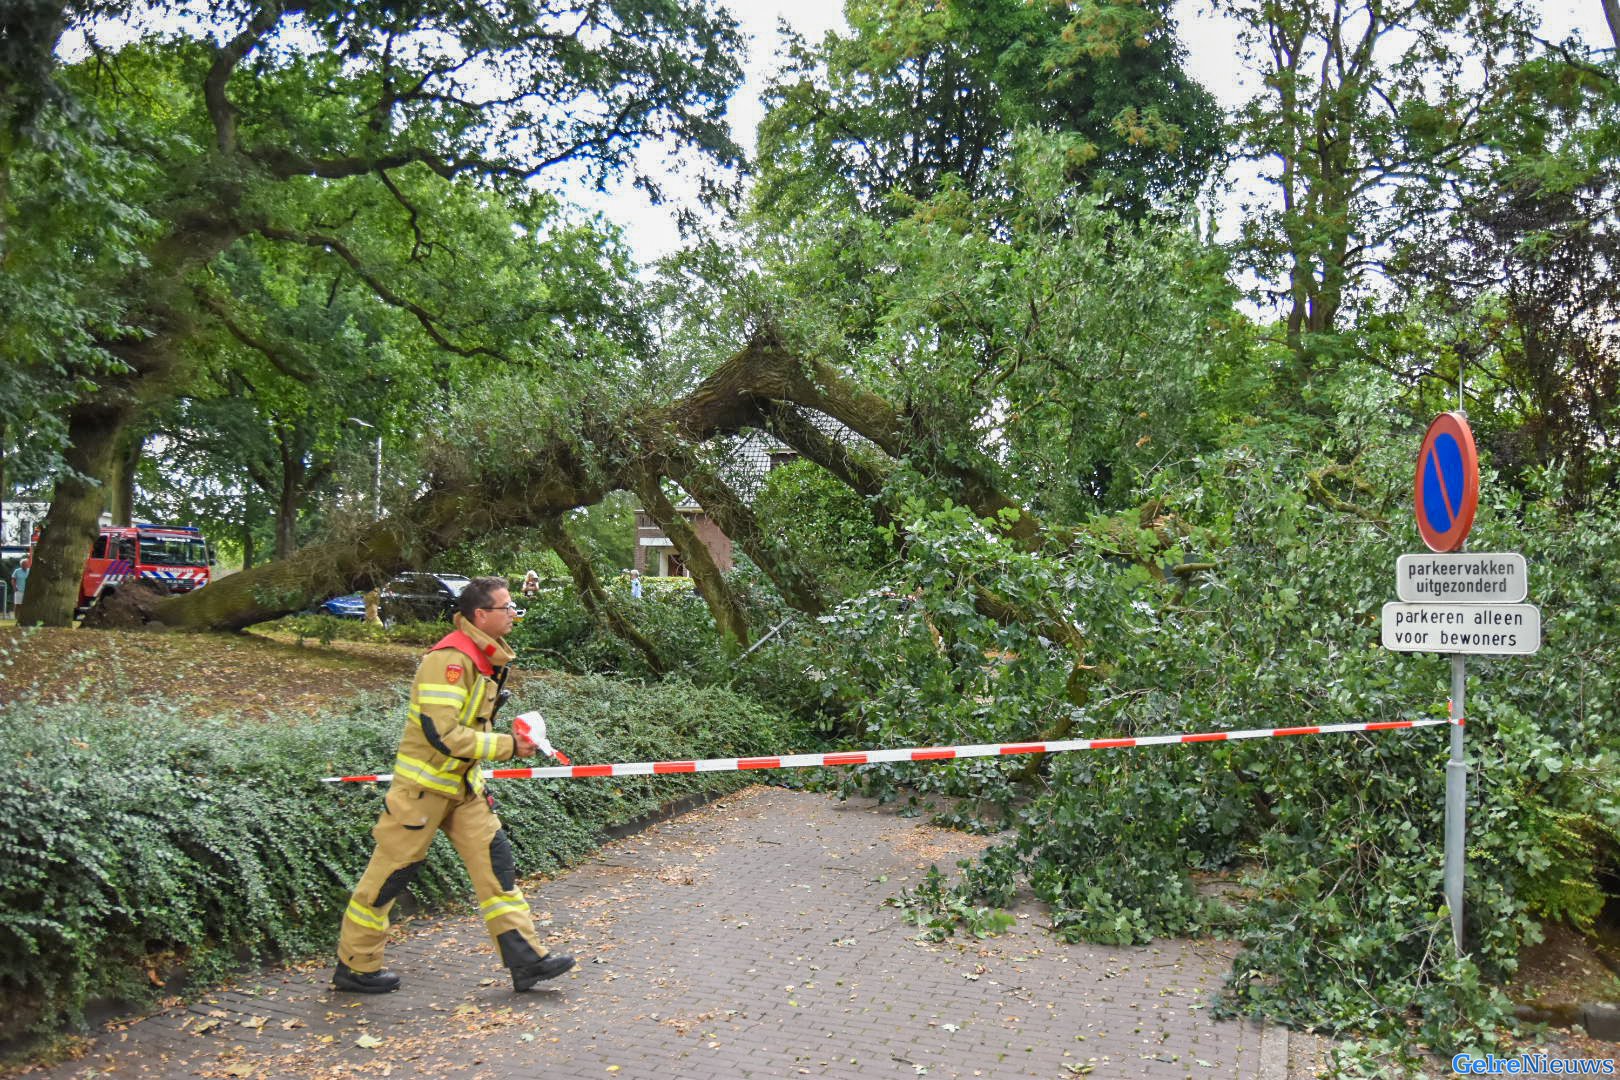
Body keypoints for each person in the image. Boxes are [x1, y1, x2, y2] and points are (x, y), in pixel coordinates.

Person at [333, 576, 575, 994]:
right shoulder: (448, 661)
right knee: (387, 879)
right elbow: (442, 735)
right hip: (421, 793)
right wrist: (508, 746)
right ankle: (355, 966)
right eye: (506, 607)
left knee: (497, 871)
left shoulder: (482, 659)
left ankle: (526, 961)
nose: (513, 613)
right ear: (481, 615)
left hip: (463, 790)